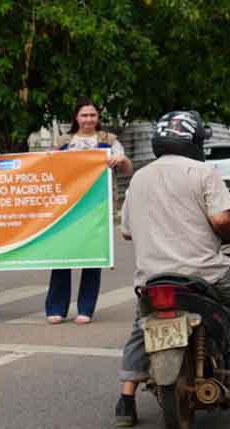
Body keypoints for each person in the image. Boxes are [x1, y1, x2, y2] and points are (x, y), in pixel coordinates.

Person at [114, 110, 230, 427]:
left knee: (140, 327)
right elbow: (222, 221)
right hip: (204, 272)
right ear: (194, 141)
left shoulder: (140, 177)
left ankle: (125, 400)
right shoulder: (203, 172)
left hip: (153, 277)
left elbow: (126, 230)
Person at [45, 98, 133, 325]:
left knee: (93, 257)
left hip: (98, 208)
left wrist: (120, 159)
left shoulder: (109, 141)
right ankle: (56, 308)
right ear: (76, 117)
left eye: (92, 115)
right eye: (84, 115)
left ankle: (86, 309)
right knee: (62, 256)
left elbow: (127, 169)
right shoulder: (63, 142)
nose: (88, 119)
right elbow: (46, 168)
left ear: (98, 118)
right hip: (67, 207)